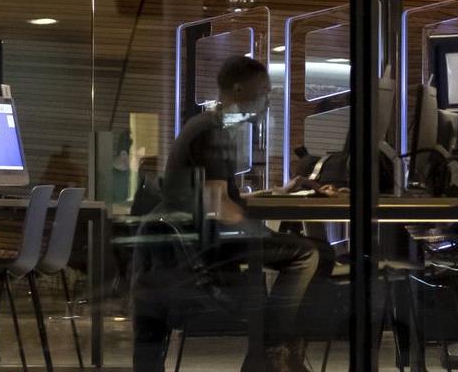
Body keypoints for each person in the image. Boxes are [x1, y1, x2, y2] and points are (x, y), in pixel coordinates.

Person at [141, 55, 334, 372]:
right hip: (209, 243)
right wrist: (260, 231)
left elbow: (219, 195)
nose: (266, 99)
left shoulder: (207, 125)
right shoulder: (215, 133)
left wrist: (274, 193)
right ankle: (273, 351)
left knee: (308, 250)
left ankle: (269, 353)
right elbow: (219, 207)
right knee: (308, 254)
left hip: (197, 235)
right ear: (239, 88)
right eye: (263, 91)